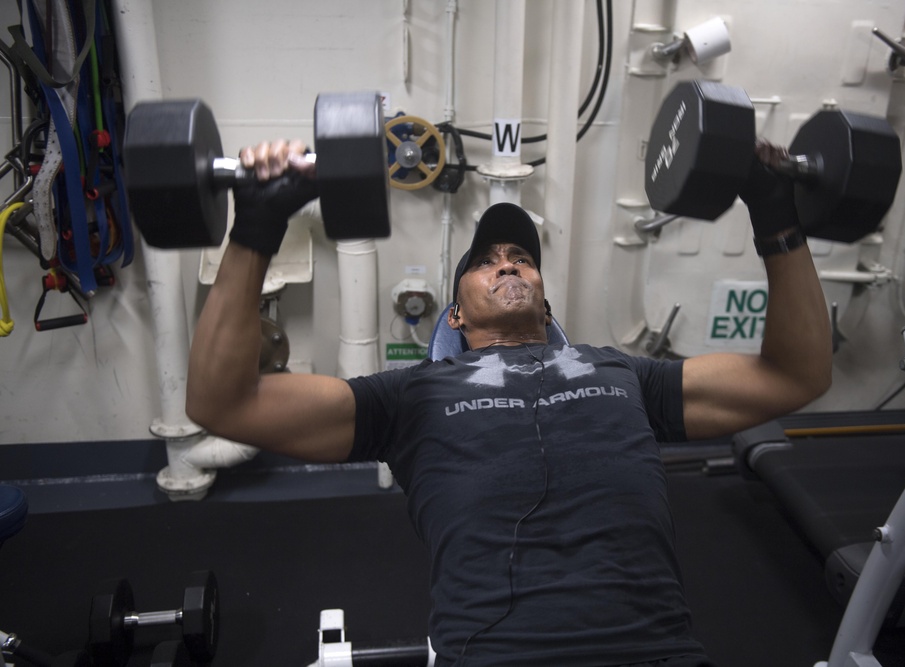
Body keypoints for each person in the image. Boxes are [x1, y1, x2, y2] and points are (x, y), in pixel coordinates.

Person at [186, 138, 832, 666]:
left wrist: (776, 214)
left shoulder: (624, 372)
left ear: (545, 302)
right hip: (498, 654)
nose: (509, 265)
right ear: (456, 315)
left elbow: (795, 376)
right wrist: (258, 225)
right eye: (487, 261)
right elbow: (223, 403)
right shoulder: (409, 395)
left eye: (521, 257)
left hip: (657, 650)